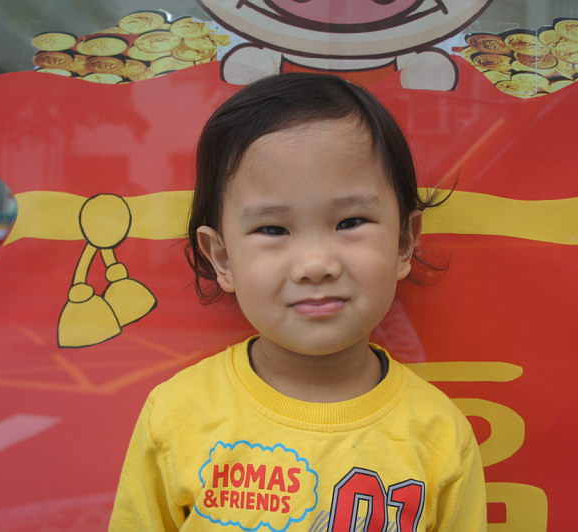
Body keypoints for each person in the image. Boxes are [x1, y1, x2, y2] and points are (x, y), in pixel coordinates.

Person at [109, 73, 486, 531]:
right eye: (273, 229)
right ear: (222, 258)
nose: (315, 264)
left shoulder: (440, 435)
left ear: (404, 241)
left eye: (350, 222)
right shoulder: (176, 416)